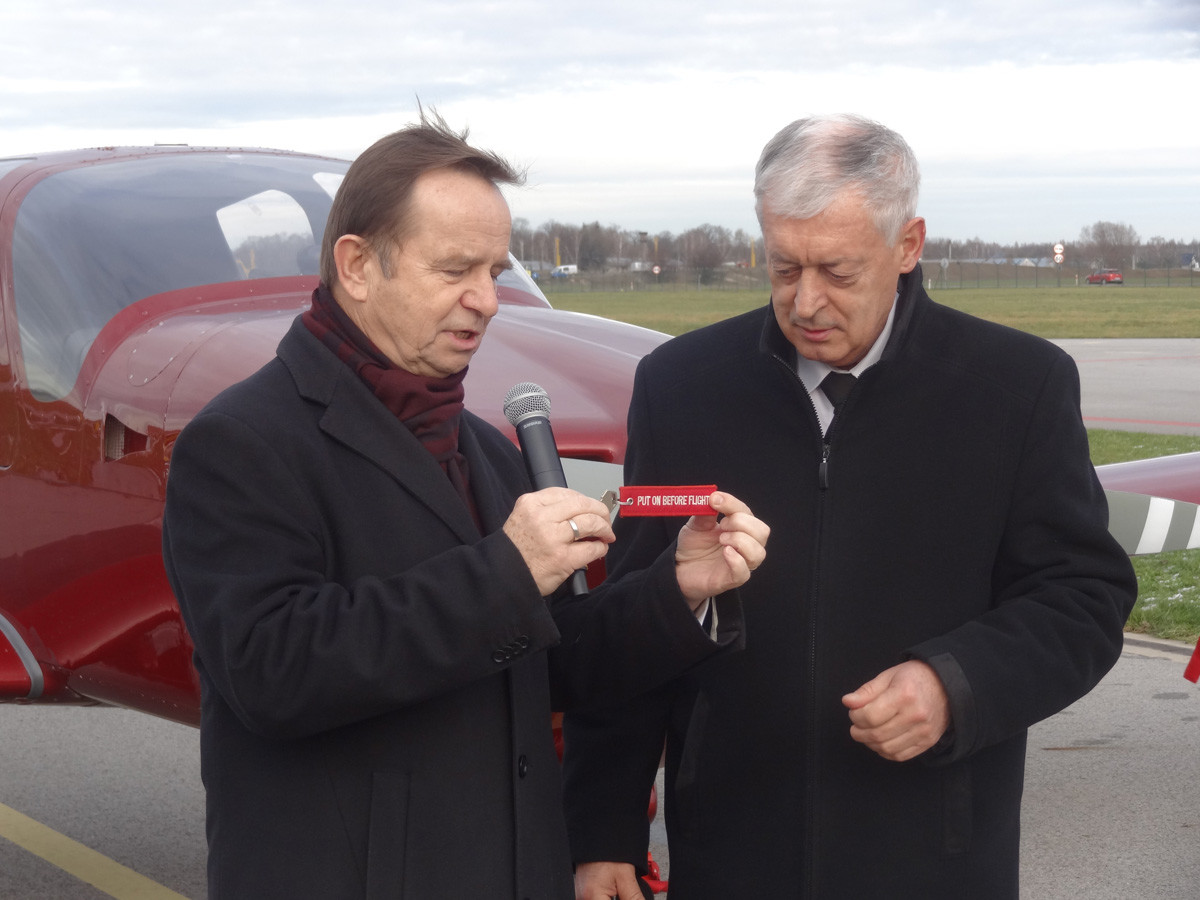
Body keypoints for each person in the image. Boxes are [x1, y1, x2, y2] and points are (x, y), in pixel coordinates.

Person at [161, 111, 768, 899]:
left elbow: (548, 661)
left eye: (495, 270)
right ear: (357, 265)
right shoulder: (242, 442)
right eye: (455, 270)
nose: (486, 300)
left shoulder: (482, 448)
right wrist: (506, 572)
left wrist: (676, 591)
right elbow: (272, 672)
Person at [563, 113, 1136, 899]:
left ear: (908, 245)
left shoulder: (1018, 388)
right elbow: (629, 621)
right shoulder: (680, 386)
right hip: (731, 858)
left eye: (837, 270)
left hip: (933, 858)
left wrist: (957, 685)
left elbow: (1082, 598)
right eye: (783, 267)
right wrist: (604, 831)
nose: (805, 302)